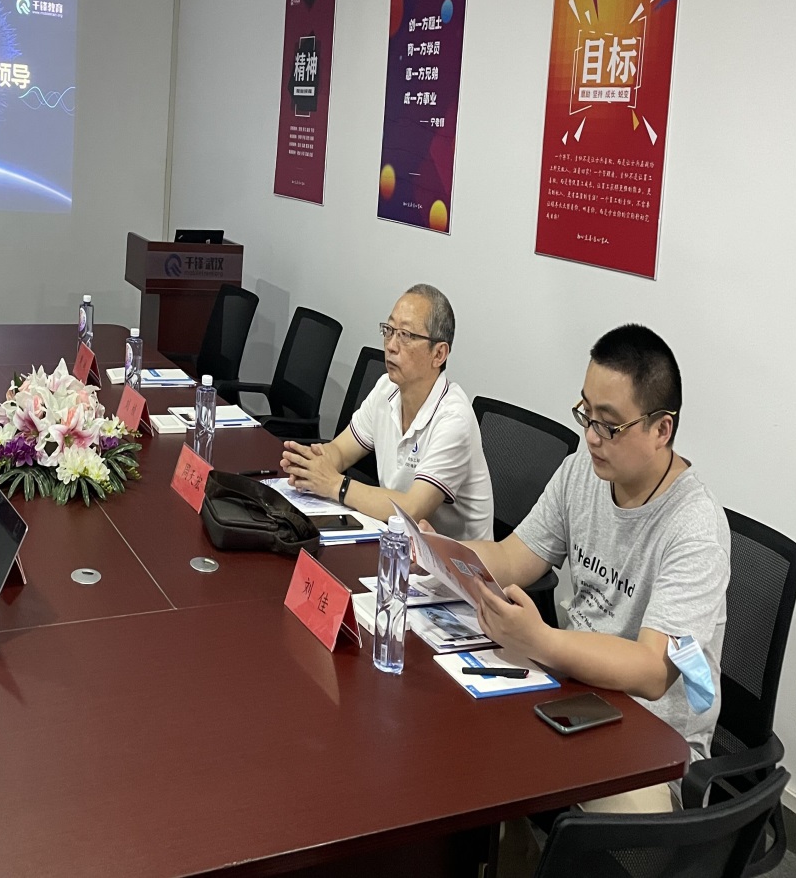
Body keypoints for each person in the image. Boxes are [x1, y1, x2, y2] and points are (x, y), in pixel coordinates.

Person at [461, 324, 729, 813]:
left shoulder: (695, 526)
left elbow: (652, 671)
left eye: (609, 425)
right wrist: (439, 551)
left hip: (653, 741)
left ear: (662, 430)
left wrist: (540, 640)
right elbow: (513, 558)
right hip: (573, 691)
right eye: (586, 413)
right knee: (468, 734)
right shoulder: (582, 472)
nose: (590, 437)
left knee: (518, 769)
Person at [279, 284, 493, 539]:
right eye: (389, 331)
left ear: (439, 354)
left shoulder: (453, 419)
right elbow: (340, 451)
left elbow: (413, 509)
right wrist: (309, 466)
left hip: (450, 559)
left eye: (406, 335)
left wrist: (335, 484)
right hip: (396, 540)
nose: (391, 346)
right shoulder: (386, 388)